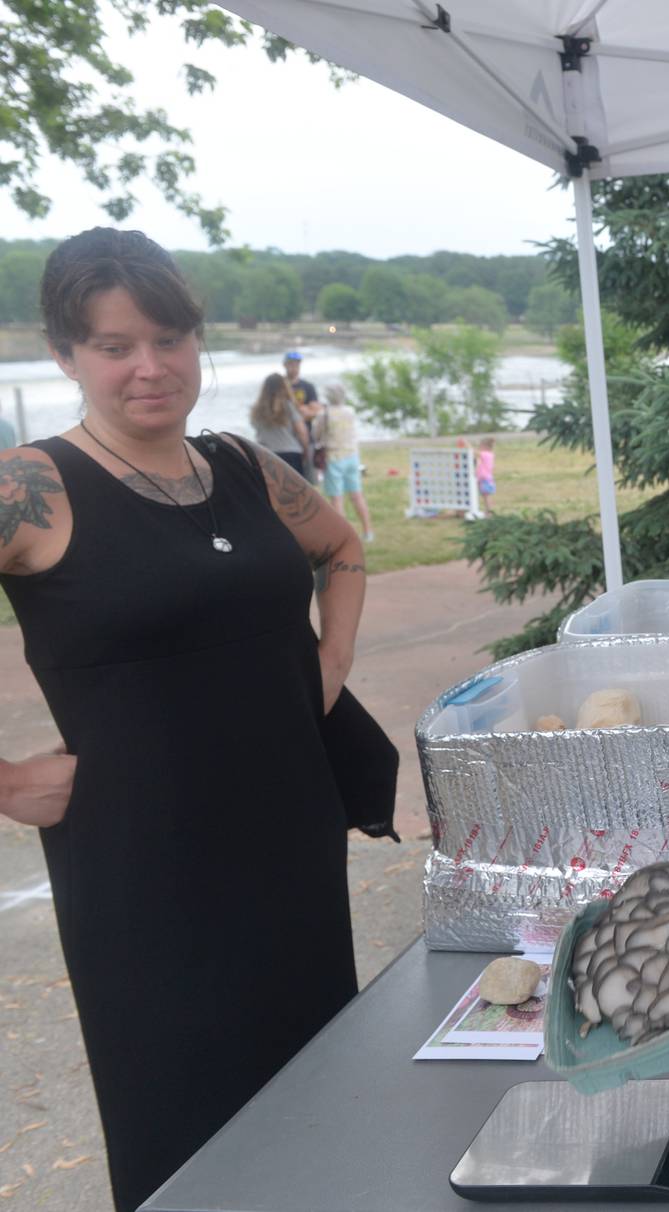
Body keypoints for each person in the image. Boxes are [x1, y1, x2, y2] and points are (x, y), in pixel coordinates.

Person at [0, 227, 367, 1212]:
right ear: (65, 355)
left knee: (318, 1103)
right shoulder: (26, 491)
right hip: (143, 872)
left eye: (169, 339)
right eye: (115, 347)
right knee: (185, 1131)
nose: (149, 368)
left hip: (289, 840)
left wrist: (329, 662)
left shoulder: (243, 468)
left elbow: (344, 549)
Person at [317, 382, 374, 541]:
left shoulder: (324, 415)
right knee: (357, 496)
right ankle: (368, 531)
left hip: (334, 458)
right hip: (352, 457)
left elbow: (317, 434)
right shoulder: (350, 411)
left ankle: (344, 536)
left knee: (337, 498)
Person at [249, 370, 310, 475]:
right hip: (291, 454)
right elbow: (302, 432)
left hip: (266, 455)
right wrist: (306, 450)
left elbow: (257, 431)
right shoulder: (289, 406)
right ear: (284, 387)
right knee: (294, 490)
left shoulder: (257, 410)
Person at [283, 350, 321, 481]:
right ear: (285, 365)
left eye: (297, 364)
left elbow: (315, 411)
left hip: (306, 439)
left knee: (308, 479)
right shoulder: (279, 386)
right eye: (291, 364)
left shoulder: (308, 387)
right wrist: (303, 410)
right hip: (284, 441)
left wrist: (297, 412)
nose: (294, 368)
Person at [475, 435, 496, 515]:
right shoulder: (489, 454)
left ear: (485, 446)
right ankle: (487, 511)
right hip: (484, 478)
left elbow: (476, 453)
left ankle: (489, 512)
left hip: (485, 479)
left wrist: (467, 444)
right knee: (485, 497)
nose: (479, 447)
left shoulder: (486, 454)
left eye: (480, 446)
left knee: (486, 497)